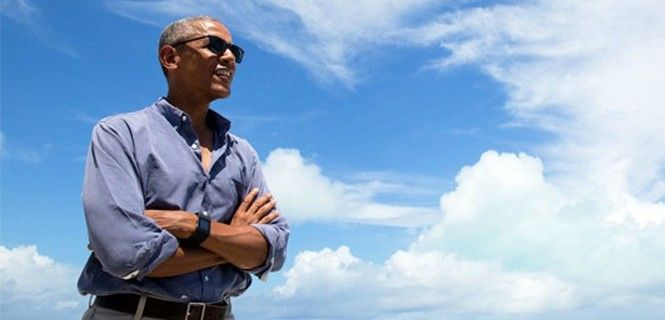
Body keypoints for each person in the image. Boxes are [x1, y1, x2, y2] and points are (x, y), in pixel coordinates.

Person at [78, 15, 289, 320]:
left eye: (235, 51)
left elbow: (274, 250)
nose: (229, 57)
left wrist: (191, 226)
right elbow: (125, 254)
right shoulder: (119, 134)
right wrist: (233, 240)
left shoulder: (242, 154)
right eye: (215, 45)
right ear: (170, 57)